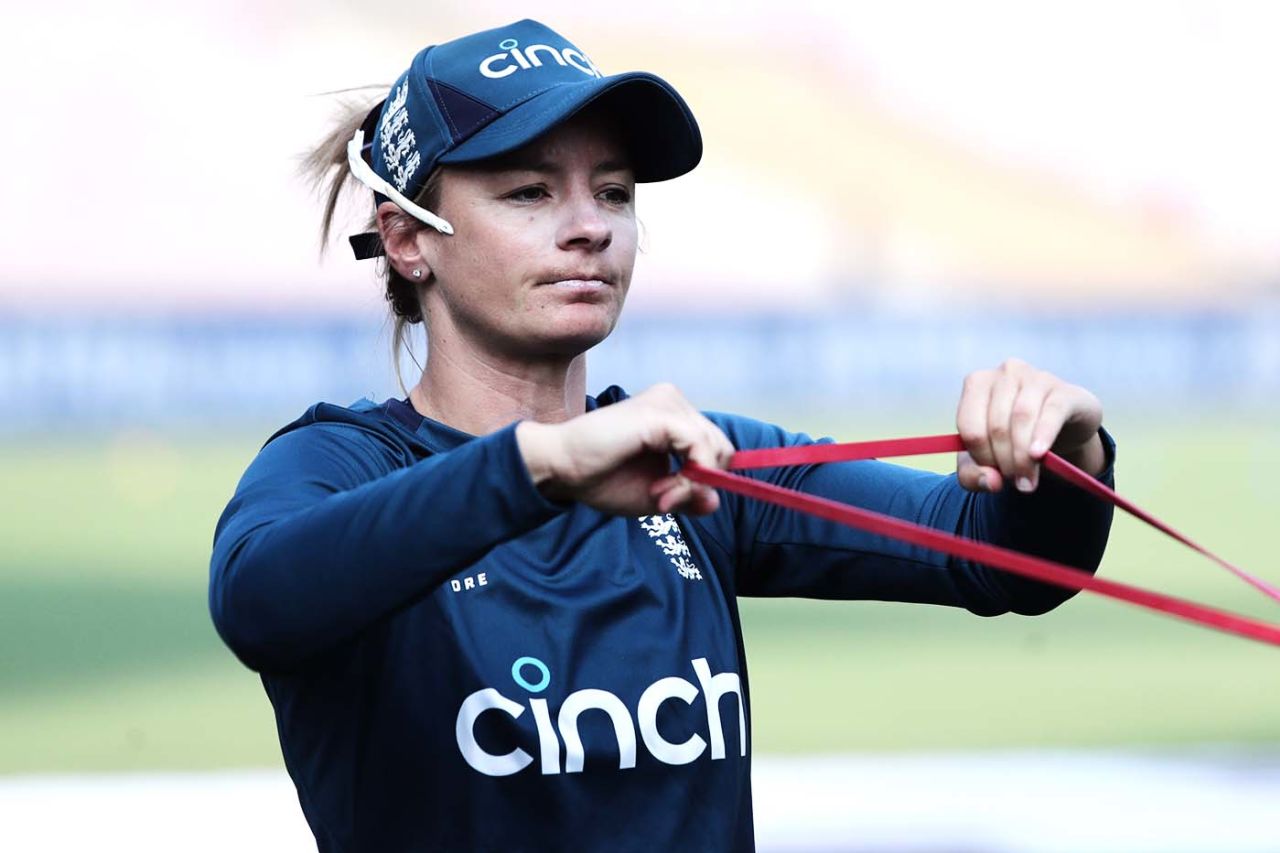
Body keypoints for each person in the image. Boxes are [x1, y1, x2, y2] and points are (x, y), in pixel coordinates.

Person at [209, 18, 1115, 853]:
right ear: (409, 241)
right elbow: (259, 602)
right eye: (530, 192)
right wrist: (541, 465)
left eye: (613, 192)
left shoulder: (690, 458)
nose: (590, 227)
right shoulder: (339, 463)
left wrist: (1070, 459)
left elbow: (994, 557)